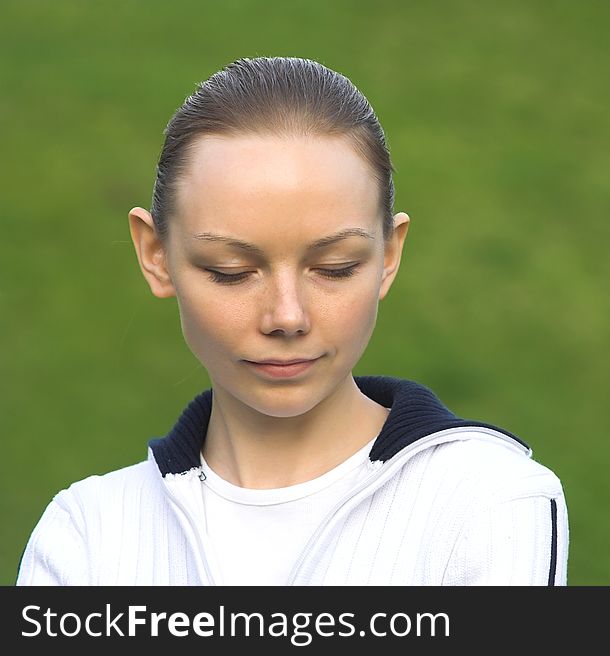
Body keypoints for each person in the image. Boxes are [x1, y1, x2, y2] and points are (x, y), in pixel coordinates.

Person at [16, 57, 569, 586]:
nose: (287, 316)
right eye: (231, 271)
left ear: (389, 256)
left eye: (334, 268)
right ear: (156, 255)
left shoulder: (488, 499)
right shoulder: (87, 532)